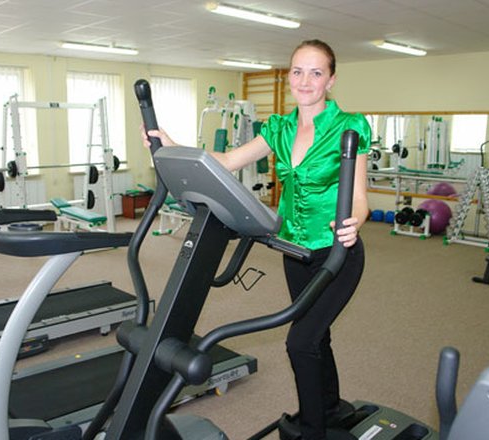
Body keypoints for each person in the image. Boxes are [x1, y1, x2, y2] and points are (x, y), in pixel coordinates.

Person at [143, 39, 370, 440]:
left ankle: (313, 429)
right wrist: (171, 144)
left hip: (338, 253)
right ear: (289, 76)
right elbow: (228, 162)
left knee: (300, 342)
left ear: (331, 80)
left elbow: (360, 197)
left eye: (316, 73)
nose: (305, 81)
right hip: (295, 252)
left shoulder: (350, 126)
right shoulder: (279, 128)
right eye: (297, 71)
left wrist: (355, 222)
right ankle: (330, 406)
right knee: (316, 335)